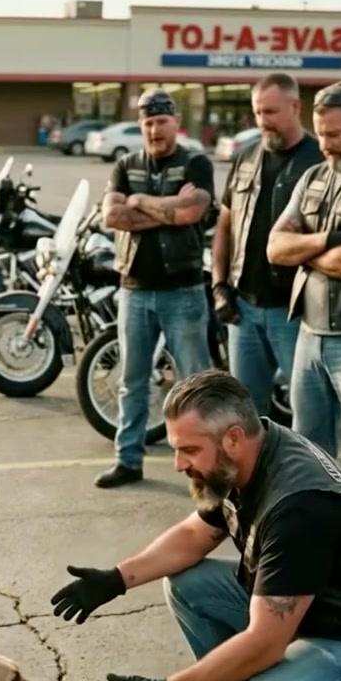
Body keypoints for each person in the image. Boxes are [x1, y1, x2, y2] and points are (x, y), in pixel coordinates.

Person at [50, 370, 341, 681]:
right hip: (313, 613)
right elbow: (195, 535)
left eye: (188, 450)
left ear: (231, 438)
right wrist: (116, 578)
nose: (178, 463)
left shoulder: (299, 504)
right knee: (190, 583)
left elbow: (265, 643)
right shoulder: (250, 452)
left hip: (338, 636)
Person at [95, 89, 215, 489]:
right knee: (133, 380)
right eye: (147, 121)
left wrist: (142, 200)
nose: (154, 128)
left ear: (175, 122)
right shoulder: (125, 164)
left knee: (195, 383)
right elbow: (113, 215)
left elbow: (193, 212)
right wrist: (168, 211)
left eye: (161, 121)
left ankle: (206, 467)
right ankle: (128, 460)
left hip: (183, 289)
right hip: (134, 288)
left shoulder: (196, 162)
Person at [211, 73, 322, 415]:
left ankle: (315, 470)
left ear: (295, 107)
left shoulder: (321, 160)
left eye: (271, 112)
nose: (263, 121)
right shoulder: (246, 159)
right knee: (246, 416)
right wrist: (219, 285)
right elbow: (224, 226)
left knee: (311, 415)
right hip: (244, 311)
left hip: (296, 313)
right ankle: (259, 471)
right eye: (258, 113)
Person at [267, 81, 341, 457]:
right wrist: (327, 240)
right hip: (308, 335)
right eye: (321, 133)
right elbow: (274, 247)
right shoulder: (313, 178)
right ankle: (322, 517)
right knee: (310, 449)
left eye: (335, 134)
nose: (325, 143)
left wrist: (302, 249)